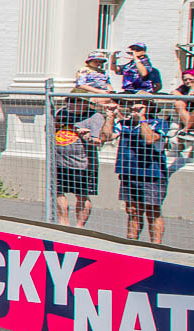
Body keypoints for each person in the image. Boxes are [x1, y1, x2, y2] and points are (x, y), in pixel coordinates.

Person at [115, 98, 172, 244]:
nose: (135, 106)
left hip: (152, 174)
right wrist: (110, 116)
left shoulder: (160, 123)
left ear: (149, 106)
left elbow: (149, 138)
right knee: (132, 210)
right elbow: (106, 136)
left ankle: (155, 246)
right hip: (129, 172)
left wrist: (142, 118)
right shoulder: (124, 124)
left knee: (153, 211)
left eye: (140, 103)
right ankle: (132, 243)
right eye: (133, 103)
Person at [52, 96, 107, 227]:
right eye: (68, 100)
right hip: (60, 162)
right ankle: (63, 224)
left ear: (85, 103)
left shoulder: (95, 117)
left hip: (82, 164)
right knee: (58, 192)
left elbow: (100, 141)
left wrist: (87, 137)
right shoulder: (61, 112)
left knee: (81, 195)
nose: (69, 104)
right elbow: (51, 130)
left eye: (74, 101)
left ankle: (79, 227)